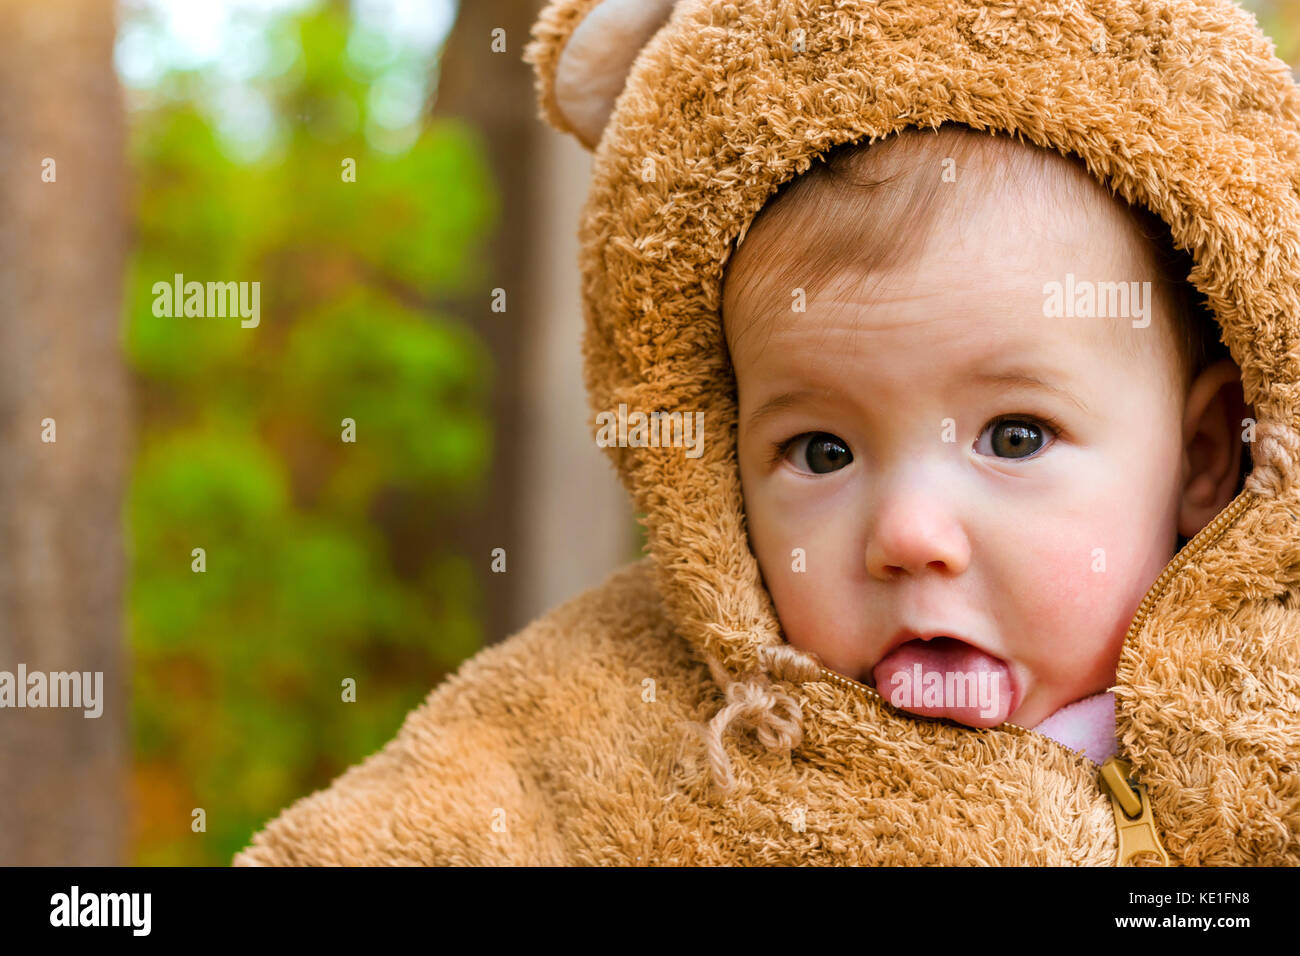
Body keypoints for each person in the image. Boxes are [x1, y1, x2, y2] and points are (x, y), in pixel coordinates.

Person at [234, 0, 1300, 865]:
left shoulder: (1270, 720)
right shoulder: (631, 716)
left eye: (1013, 436)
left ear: (1204, 455)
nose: (909, 532)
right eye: (822, 451)